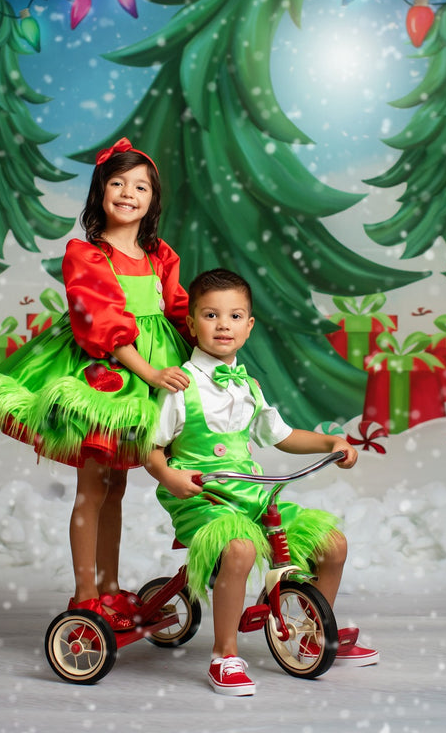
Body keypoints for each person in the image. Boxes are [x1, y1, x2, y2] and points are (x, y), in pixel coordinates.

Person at [0, 138, 192, 632]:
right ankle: (86, 593)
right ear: (99, 191)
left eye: (140, 186)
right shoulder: (85, 254)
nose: (128, 193)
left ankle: (110, 587)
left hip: (152, 373)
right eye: (117, 183)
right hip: (105, 375)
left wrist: (210, 348)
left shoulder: (159, 255)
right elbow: (101, 322)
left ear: (153, 199)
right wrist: (148, 372)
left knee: (119, 486)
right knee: (93, 486)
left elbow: (177, 310)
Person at [144, 268, 378, 697]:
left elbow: (283, 436)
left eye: (235, 317)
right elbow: (151, 446)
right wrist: (167, 474)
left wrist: (330, 441)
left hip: (249, 492)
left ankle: (311, 631)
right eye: (211, 315)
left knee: (333, 544)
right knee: (240, 548)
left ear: (249, 326)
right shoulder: (180, 385)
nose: (223, 326)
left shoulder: (248, 385)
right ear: (193, 323)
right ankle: (224, 654)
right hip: (202, 494)